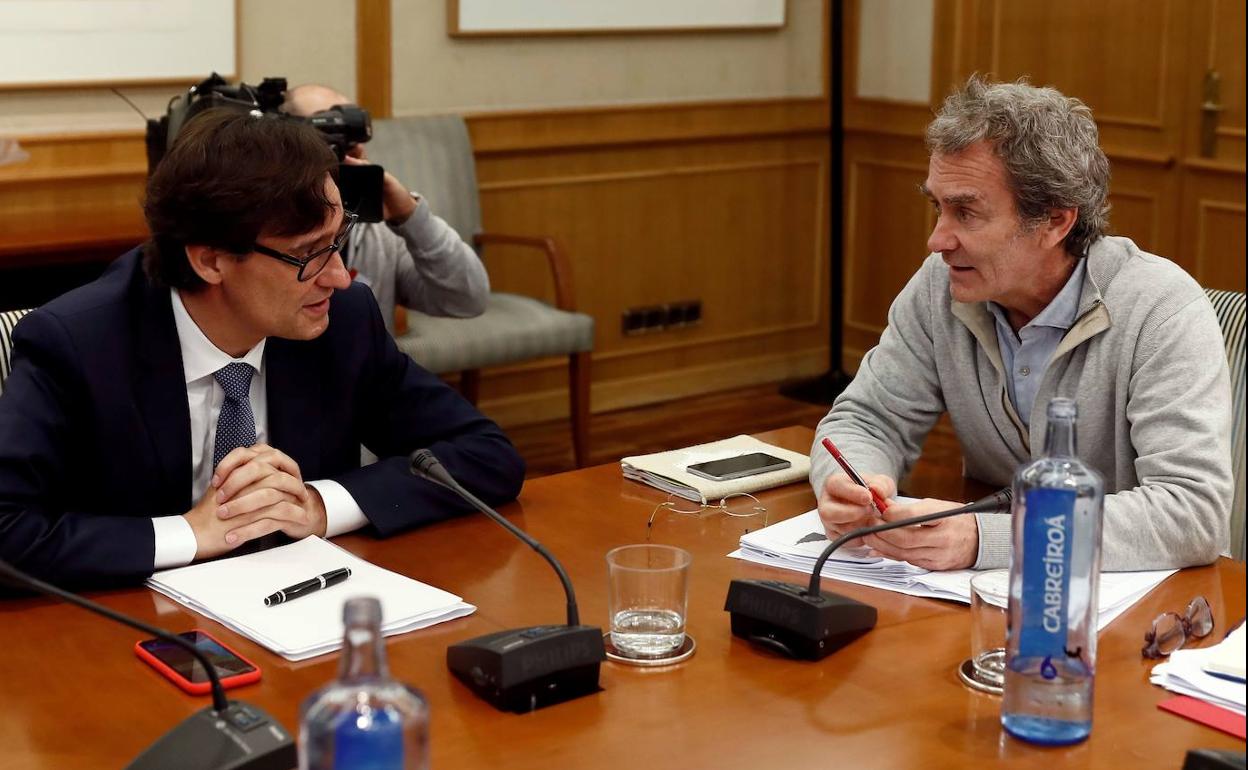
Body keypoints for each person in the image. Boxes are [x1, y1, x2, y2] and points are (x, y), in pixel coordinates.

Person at [0, 109, 525, 588]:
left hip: (300, 608)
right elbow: (8, 527)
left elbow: (486, 454)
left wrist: (319, 506)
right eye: (308, 256)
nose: (339, 277)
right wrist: (192, 533)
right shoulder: (78, 344)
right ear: (211, 261)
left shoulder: (342, 321)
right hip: (129, 627)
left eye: (337, 242)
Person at [812, 76, 1232, 572]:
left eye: (966, 212)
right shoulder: (940, 285)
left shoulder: (1162, 310)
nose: (937, 240)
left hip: (1144, 599)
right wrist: (855, 484)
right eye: (937, 207)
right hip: (989, 594)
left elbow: (1192, 512)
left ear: (1055, 221)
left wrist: (989, 539)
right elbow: (866, 419)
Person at [282, 84, 488, 334]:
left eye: (348, 137)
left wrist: (411, 217)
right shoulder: (273, 235)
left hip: (368, 360)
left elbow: (468, 300)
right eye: (327, 130)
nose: (339, 148)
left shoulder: (380, 232)